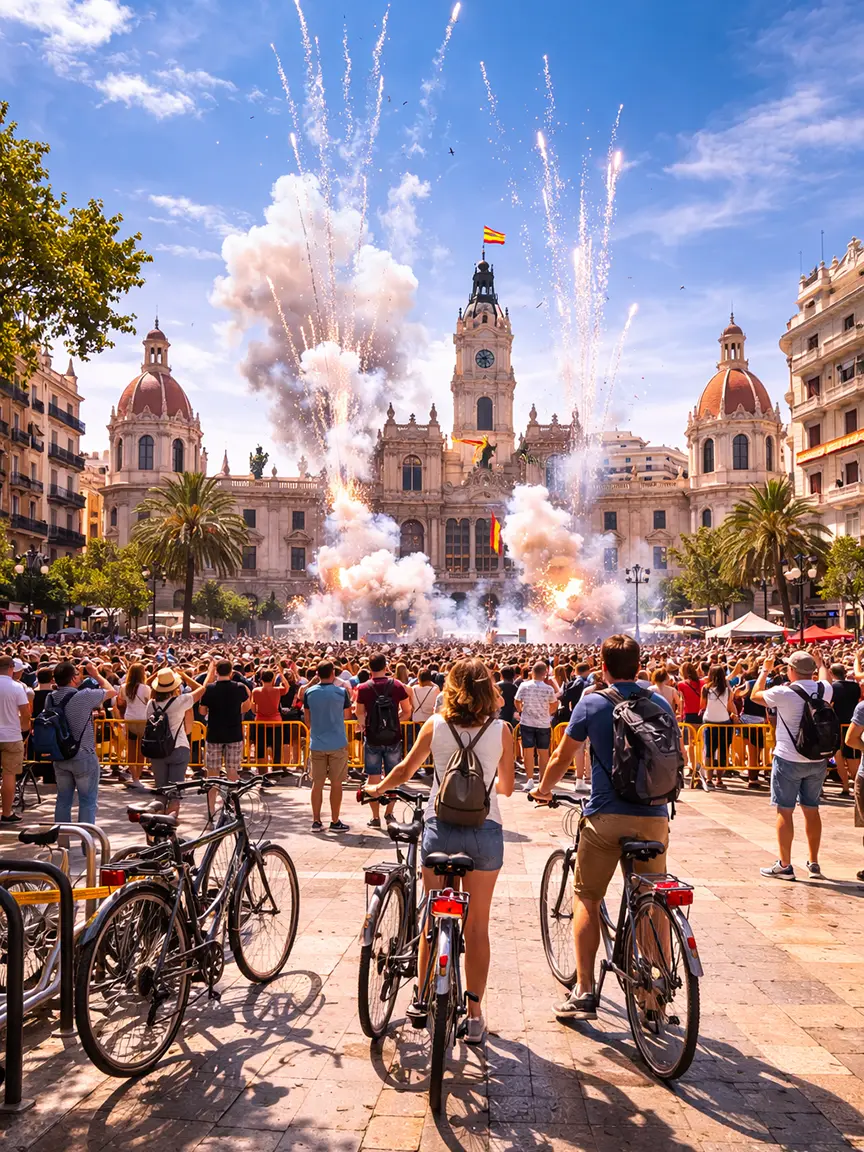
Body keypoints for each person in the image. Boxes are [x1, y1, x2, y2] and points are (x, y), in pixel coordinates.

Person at [363, 657, 515, 1044]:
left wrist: (376, 791)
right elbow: (508, 788)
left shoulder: (436, 724)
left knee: (433, 915)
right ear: (488, 689)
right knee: (478, 924)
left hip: (439, 825)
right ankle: (476, 1014)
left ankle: (421, 995)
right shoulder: (502, 730)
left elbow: (404, 770)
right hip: (485, 828)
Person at [531, 634, 675, 1020]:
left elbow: (563, 754)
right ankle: (656, 989)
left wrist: (543, 790)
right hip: (655, 815)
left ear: (603, 665)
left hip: (606, 815)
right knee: (654, 901)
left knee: (587, 898)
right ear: (639, 664)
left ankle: (584, 989)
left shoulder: (592, 703)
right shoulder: (659, 702)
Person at [751, 650, 833, 880]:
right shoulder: (823, 689)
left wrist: (765, 669)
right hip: (817, 758)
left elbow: (755, 695)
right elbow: (826, 678)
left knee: (784, 811)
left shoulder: (783, 692)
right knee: (811, 809)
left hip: (788, 757)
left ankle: (785, 865)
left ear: (792, 670)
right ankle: (814, 862)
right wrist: (821, 663)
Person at [49, 660, 117, 826]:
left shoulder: (50, 698)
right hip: (83, 754)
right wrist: (96, 674)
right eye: (77, 674)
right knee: (87, 801)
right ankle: (88, 847)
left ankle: (63, 843)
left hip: (60, 755)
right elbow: (112, 691)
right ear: (73, 678)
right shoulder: (84, 696)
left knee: (63, 801)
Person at [144, 665, 212, 812]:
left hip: (157, 750)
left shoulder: (151, 704)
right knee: (175, 795)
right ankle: (170, 828)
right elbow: (202, 689)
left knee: (161, 792)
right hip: (178, 748)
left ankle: (156, 828)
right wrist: (185, 676)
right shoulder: (180, 701)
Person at [355, 653, 412, 829]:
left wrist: (365, 726)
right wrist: (395, 723)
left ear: (369, 667)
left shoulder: (363, 688)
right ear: (386, 666)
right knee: (393, 777)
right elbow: (407, 711)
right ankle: (389, 813)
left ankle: (375, 817)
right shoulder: (397, 685)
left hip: (372, 737)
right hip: (393, 738)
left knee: (373, 778)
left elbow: (358, 712)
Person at [303, 660, 352, 832]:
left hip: (316, 743)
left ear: (317, 674)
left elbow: (307, 720)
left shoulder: (309, 692)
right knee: (336, 783)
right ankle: (335, 820)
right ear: (333, 673)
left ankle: (316, 820)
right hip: (337, 742)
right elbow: (347, 715)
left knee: (317, 783)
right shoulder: (341, 692)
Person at [199, 659, 251, 787]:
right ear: (231, 672)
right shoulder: (239, 687)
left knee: (212, 774)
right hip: (234, 733)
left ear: (216, 671)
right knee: (232, 772)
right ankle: (232, 802)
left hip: (214, 733)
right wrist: (235, 711)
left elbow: (202, 711)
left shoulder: (209, 688)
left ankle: (211, 805)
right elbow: (247, 706)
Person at [514, 661, 558, 792]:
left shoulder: (524, 685)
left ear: (532, 672)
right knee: (543, 752)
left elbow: (517, 701)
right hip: (543, 723)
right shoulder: (549, 689)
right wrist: (547, 713)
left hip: (527, 721)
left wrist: (521, 710)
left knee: (528, 751)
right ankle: (542, 780)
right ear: (545, 674)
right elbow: (554, 705)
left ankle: (529, 779)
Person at [0, 654, 32, 824]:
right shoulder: (17, 687)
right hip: (11, 735)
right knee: (9, 775)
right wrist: (25, 729)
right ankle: (6, 812)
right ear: (11, 668)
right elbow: (26, 713)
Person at [700, 664, 737, 789]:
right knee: (723, 751)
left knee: (709, 751)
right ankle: (719, 779)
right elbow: (729, 705)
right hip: (724, 721)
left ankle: (709, 778)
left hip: (709, 720)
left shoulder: (705, 688)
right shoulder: (727, 690)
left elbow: (702, 705)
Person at [827, 663, 861, 796]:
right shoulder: (855, 686)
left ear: (831, 672)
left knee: (839, 757)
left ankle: (846, 787)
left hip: (838, 726)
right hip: (853, 725)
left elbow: (829, 704)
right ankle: (857, 786)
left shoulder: (833, 688)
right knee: (853, 758)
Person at [117, 662, 151, 782]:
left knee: (131, 748)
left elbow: (120, 703)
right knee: (141, 749)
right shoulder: (146, 688)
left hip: (129, 719)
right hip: (142, 720)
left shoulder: (124, 687)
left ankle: (133, 775)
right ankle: (138, 775)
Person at [250, 668, 285, 770]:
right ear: (273, 679)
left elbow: (253, 708)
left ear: (261, 679)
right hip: (276, 722)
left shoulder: (255, 691)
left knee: (261, 748)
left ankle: (262, 771)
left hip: (260, 722)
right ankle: (276, 770)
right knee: (276, 747)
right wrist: (281, 674)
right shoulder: (277, 690)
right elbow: (287, 687)